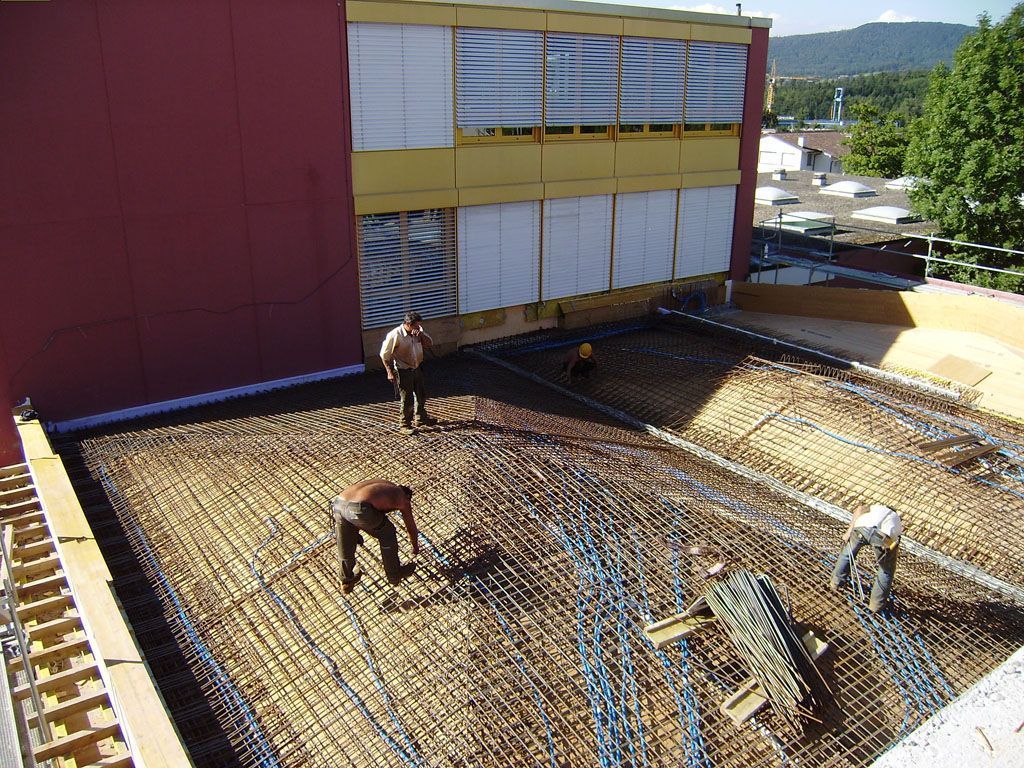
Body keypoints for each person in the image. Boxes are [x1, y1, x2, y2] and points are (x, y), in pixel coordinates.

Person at [332, 479, 420, 594]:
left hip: (339, 503)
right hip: (359, 509)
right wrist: (415, 547)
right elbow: (410, 527)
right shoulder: (403, 499)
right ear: (407, 496)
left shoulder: (386, 485)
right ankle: (394, 574)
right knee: (388, 533)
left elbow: (357, 503)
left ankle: (346, 579)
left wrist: (355, 530)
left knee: (346, 541)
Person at [830, 503, 902, 612]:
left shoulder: (875, 507)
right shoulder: (896, 520)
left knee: (847, 554)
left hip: (862, 528)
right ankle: (876, 606)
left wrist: (848, 532)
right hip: (883, 537)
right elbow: (895, 542)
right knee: (886, 571)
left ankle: (835, 583)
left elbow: (859, 509)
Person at [380, 311, 437, 434]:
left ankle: (420, 418)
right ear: (408, 324)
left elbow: (430, 343)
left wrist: (421, 335)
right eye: (416, 326)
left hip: (417, 367)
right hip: (403, 370)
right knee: (407, 398)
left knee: (421, 394)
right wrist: (389, 372)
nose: (418, 328)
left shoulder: (418, 332)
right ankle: (405, 424)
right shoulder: (394, 335)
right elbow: (384, 355)